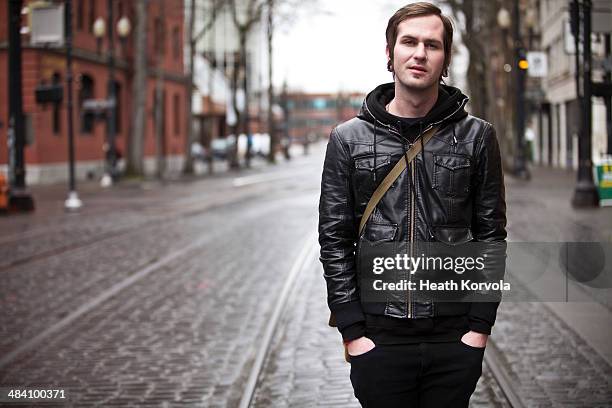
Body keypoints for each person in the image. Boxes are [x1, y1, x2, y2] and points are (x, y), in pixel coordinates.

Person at [318, 2, 507, 407]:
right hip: (379, 337)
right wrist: (354, 332)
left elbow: (492, 237)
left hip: (453, 337)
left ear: (445, 59)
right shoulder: (347, 140)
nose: (419, 53)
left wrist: (478, 329)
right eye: (409, 42)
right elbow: (334, 239)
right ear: (390, 53)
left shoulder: (477, 138)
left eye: (432, 45)